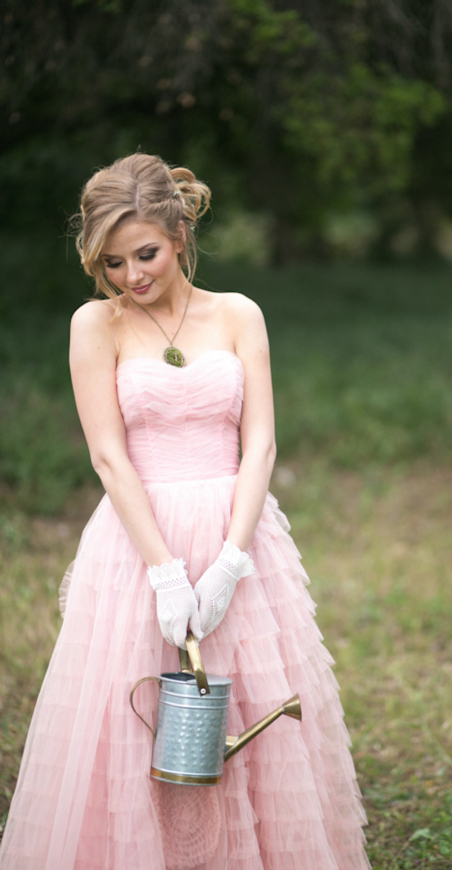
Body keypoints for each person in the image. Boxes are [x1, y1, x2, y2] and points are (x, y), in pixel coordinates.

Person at [0, 153, 370, 870]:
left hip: (238, 527)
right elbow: (109, 458)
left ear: (178, 233)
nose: (133, 276)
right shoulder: (94, 326)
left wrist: (232, 561)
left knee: (244, 709)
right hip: (141, 542)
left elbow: (259, 444)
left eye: (146, 254)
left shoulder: (238, 314)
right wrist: (166, 573)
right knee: (136, 718)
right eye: (112, 263)